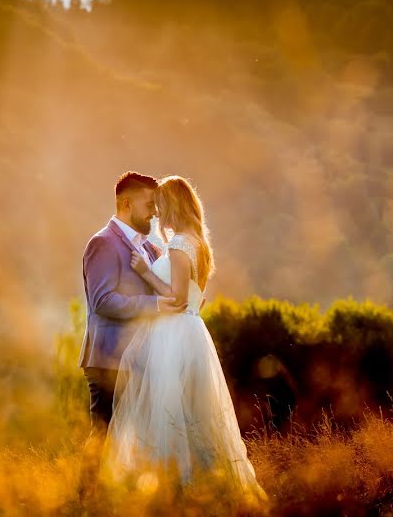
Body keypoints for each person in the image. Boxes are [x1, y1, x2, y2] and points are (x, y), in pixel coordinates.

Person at [100, 175, 268, 504]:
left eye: (161, 206)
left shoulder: (179, 244)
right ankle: (206, 486)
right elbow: (197, 299)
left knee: (166, 411)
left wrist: (147, 273)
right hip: (193, 332)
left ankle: (170, 487)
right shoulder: (198, 242)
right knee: (196, 411)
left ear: (174, 205)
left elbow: (177, 299)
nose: (158, 214)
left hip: (174, 333)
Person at [77, 171, 187, 498]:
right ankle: (83, 500)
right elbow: (103, 301)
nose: (155, 212)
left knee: (137, 439)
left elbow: (168, 290)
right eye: (149, 204)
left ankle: (127, 499)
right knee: (103, 434)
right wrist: (155, 305)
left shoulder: (150, 249)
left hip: (139, 360)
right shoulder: (103, 243)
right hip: (109, 358)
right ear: (125, 203)